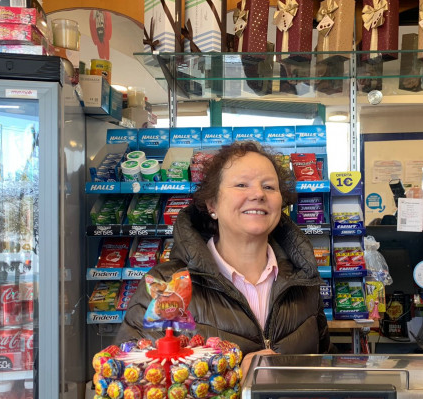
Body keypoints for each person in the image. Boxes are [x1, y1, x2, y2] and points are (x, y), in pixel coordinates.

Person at [115, 141, 332, 371]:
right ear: (212, 204)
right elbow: (130, 388)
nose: (258, 194)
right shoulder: (166, 285)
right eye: (241, 184)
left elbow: (323, 370)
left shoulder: (303, 279)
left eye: (269, 187)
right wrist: (231, 379)